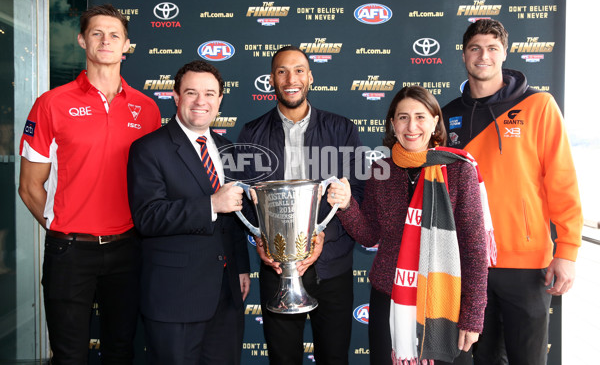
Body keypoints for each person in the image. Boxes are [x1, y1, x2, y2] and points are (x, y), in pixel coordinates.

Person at [18, 4, 161, 364]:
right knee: (69, 356)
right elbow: (30, 187)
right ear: (82, 40)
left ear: (127, 45)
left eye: (114, 35)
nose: (105, 41)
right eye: (96, 33)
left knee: (120, 350)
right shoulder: (50, 104)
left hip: (129, 249)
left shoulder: (146, 109)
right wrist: (61, 226)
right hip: (69, 252)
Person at [442, 19, 583, 365]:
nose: (483, 56)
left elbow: (562, 181)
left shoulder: (539, 106)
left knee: (529, 359)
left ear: (504, 53)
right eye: (475, 48)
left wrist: (567, 251)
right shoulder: (446, 116)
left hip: (528, 262)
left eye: (492, 48)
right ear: (464, 55)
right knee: (484, 359)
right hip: (470, 263)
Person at [327, 86, 489, 365]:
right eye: (402, 117)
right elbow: (369, 235)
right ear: (392, 124)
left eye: (420, 117)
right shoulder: (381, 170)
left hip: (444, 300)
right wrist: (347, 205)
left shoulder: (458, 169)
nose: (411, 126)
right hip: (389, 297)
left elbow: (475, 249)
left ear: (436, 121)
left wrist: (473, 316)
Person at [236, 45, 365, 365]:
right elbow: (245, 202)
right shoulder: (251, 133)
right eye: (281, 71)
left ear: (310, 77)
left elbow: (359, 192)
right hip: (276, 266)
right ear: (271, 79)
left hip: (331, 267)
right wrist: (261, 240)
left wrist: (325, 236)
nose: (290, 78)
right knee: (283, 359)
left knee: (334, 357)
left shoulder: (342, 129)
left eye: (298, 71)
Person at [127, 60, 251, 365]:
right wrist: (211, 204)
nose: (201, 101)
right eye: (192, 92)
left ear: (220, 99)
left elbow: (234, 218)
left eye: (210, 94)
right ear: (176, 96)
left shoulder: (227, 148)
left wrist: (241, 267)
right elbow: (148, 217)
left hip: (226, 296)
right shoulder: (149, 148)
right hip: (175, 298)